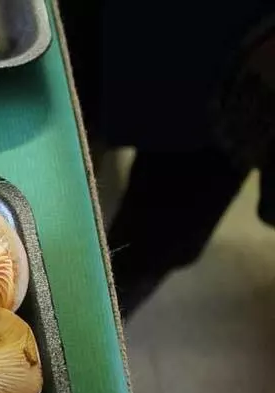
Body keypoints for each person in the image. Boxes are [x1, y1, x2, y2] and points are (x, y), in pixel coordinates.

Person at [64, 1, 275, 318]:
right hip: (135, 31)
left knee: (153, 242)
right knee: (70, 130)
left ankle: (87, 320)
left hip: (228, 123)